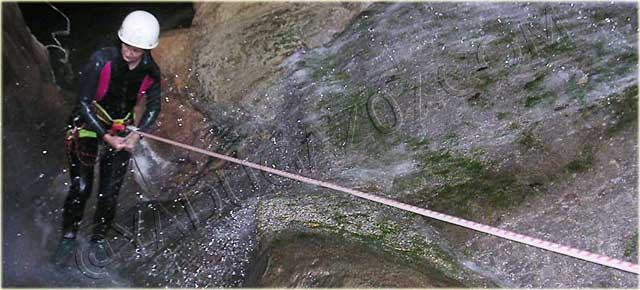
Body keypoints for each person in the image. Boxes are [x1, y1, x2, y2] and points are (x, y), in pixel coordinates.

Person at [54, 10, 162, 262]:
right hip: (89, 123)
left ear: (146, 50)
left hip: (122, 128)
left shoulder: (150, 71)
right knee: (82, 186)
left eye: (136, 49)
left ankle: (98, 239)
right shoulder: (102, 60)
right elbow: (82, 101)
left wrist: (136, 134)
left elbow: (154, 106)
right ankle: (67, 238)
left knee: (109, 192)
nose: (129, 52)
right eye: (126, 45)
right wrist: (105, 136)